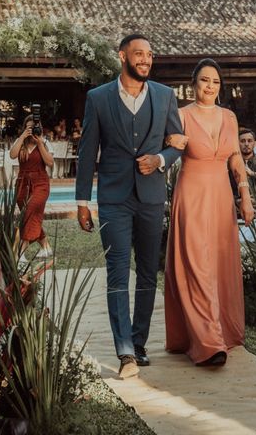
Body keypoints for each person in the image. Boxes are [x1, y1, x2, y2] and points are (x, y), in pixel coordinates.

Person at [75, 34, 183, 379]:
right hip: (113, 200)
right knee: (119, 272)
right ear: (122, 56)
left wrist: (161, 159)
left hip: (152, 198)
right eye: (139, 54)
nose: (146, 60)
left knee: (148, 273)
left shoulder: (166, 96)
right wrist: (82, 201)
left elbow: (177, 143)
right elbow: (88, 151)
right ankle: (124, 350)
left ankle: (139, 342)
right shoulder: (98, 98)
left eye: (150, 55)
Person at [165, 58, 253, 367]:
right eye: (204, 80)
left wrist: (245, 194)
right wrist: (168, 141)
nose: (210, 86)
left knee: (218, 259)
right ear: (193, 84)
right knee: (195, 261)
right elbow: (170, 149)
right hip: (191, 192)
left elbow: (235, 159)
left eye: (215, 81)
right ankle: (207, 342)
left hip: (221, 194)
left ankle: (222, 330)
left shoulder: (229, 117)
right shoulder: (181, 115)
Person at [9, 115, 54, 263]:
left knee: (29, 213)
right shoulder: (20, 142)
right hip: (22, 184)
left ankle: (20, 252)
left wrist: (40, 143)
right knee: (30, 215)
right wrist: (23, 136)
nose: (33, 129)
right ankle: (45, 247)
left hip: (40, 184)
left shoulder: (45, 142)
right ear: (25, 128)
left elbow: (50, 163)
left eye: (35, 126)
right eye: (29, 127)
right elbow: (12, 155)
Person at [230, 128, 256, 197]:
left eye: (249, 141)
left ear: (254, 143)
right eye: (243, 141)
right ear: (237, 143)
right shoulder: (231, 166)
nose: (246, 144)